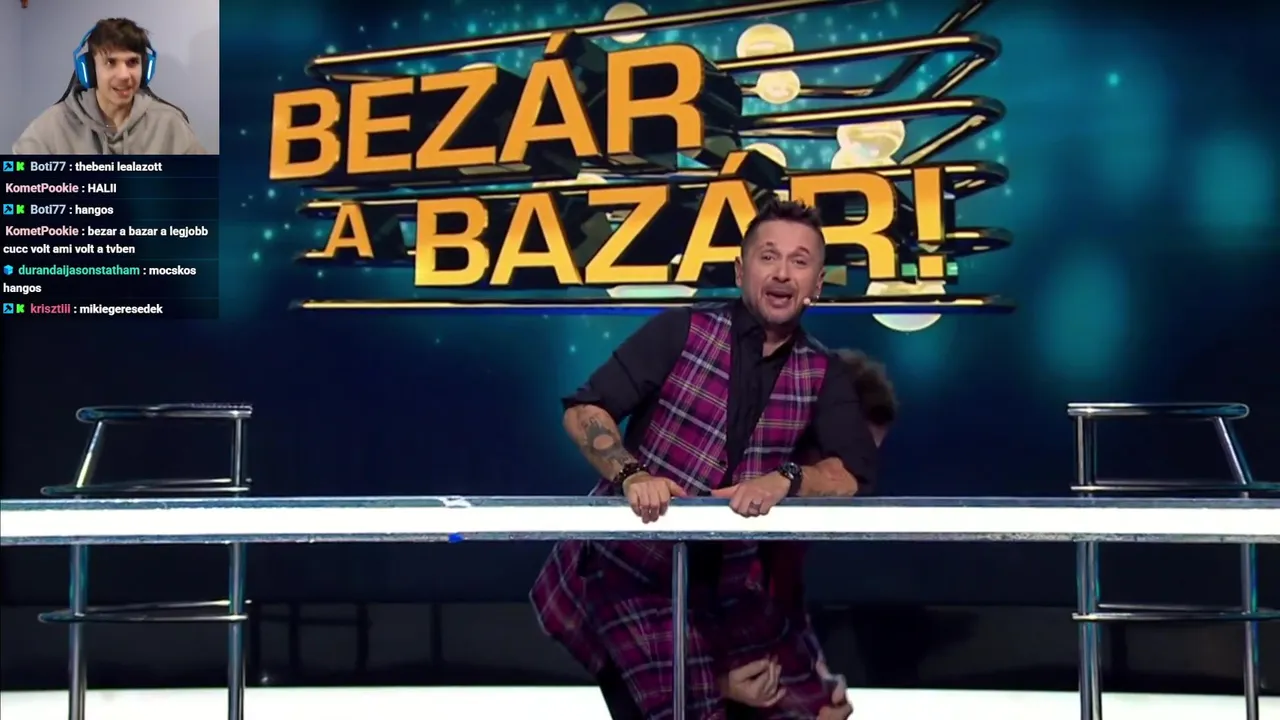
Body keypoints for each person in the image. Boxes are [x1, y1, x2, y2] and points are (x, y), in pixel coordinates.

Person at [529, 198, 879, 720]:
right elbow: (585, 411)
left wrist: (787, 479)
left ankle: (720, 684)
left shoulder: (823, 372)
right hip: (626, 575)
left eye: (800, 261)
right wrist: (631, 474)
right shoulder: (681, 330)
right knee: (686, 704)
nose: (783, 273)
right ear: (741, 270)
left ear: (818, 284)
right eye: (768, 257)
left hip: (723, 589)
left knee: (817, 703)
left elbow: (852, 473)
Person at [719, 349, 898, 719]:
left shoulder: (796, 516)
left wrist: (820, 680)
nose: (857, 477)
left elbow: (787, 604)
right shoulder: (735, 485)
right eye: (854, 456)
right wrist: (714, 682)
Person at [12, 18, 205, 155]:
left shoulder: (171, 124)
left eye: (132, 62)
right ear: (90, 69)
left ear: (145, 68)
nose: (124, 75)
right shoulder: (52, 127)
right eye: (110, 62)